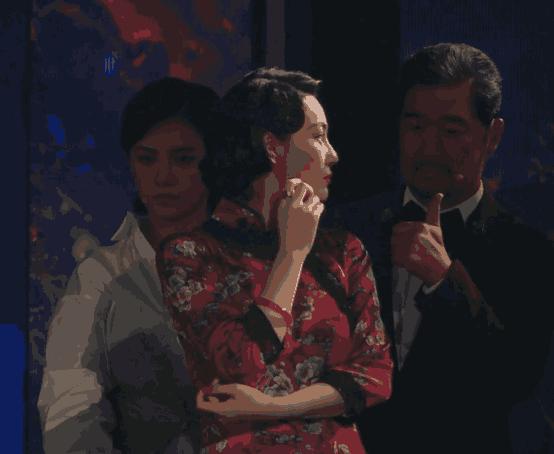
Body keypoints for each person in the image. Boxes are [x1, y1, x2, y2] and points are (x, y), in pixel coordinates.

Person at [157, 67, 393, 453]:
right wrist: (291, 255)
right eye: (318, 136)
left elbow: (376, 376)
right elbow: (242, 364)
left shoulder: (343, 251)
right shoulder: (190, 254)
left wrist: (274, 407)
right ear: (273, 146)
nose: (333, 154)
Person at [337, 43, 554, 453]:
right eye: (416, 127)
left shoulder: (529, 251)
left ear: (493, 136)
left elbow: (516, 380)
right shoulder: (345, 229)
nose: (429, 147)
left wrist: (444, 281)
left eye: (451, 131)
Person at [38, 77, 221, 453]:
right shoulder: (100, 277)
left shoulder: (249, 263)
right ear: (131, 165)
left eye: (183, 159)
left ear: (214, 162)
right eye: (147, 158)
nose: (163, 176)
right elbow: (69, 409)